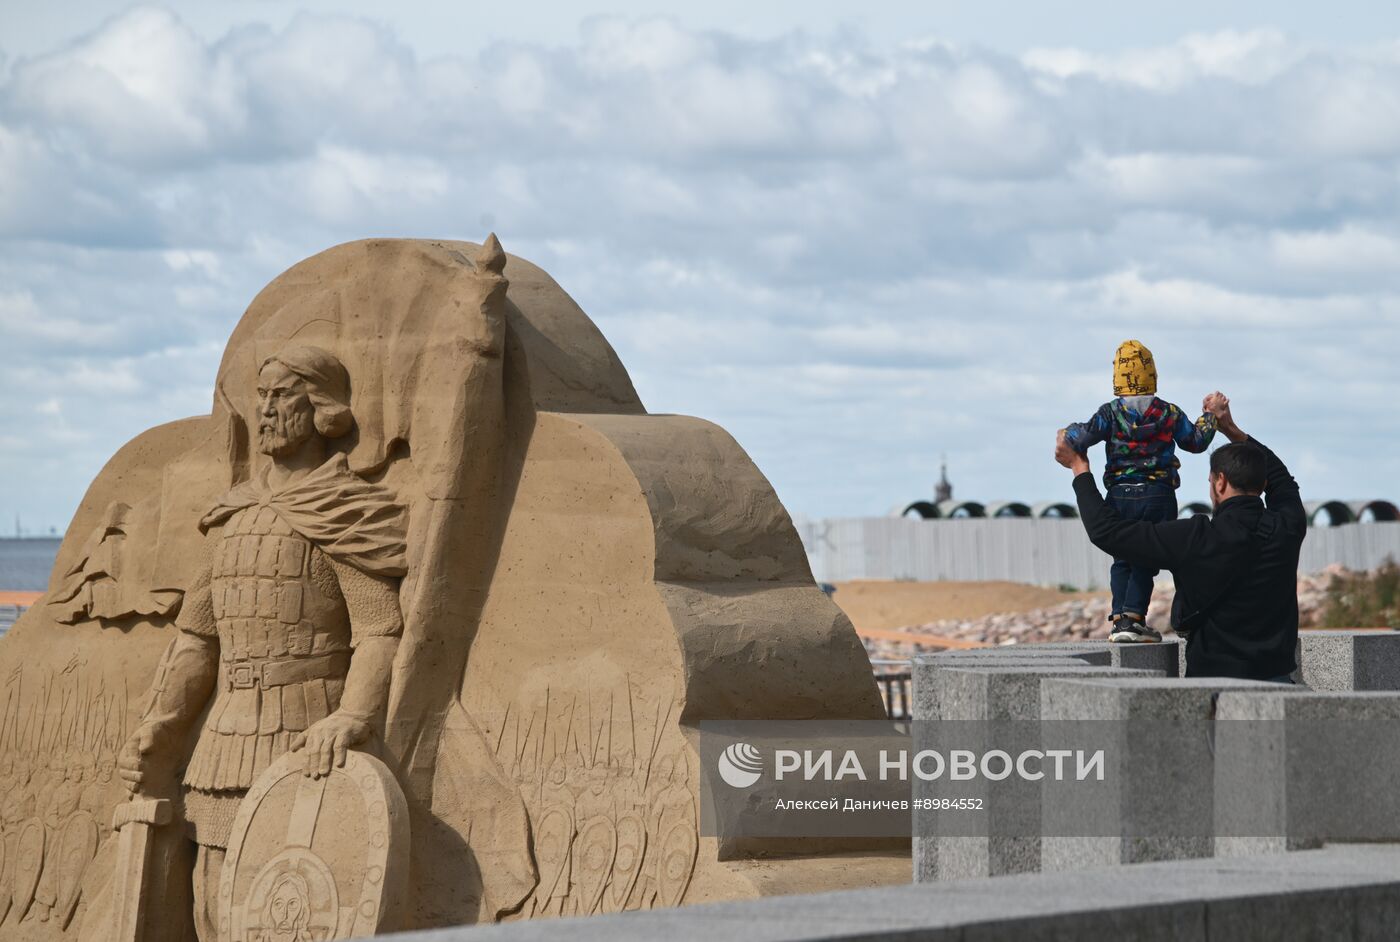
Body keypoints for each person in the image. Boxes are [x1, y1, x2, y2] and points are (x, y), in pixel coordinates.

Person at [117, 345, 408, 942]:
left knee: (293, 909)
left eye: (282, 394)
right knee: (212, 911)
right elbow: (198, 638)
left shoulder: (342, 509)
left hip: (309, 739)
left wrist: (352, 716)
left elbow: (379, 629)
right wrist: (164, 723)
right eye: (262, 396)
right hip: (224, 743)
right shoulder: (234, 515)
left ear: (321, 408)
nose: (267, 409)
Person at [1055, 394, 1305, 681]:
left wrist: (1080, 468)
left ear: (1220, 481)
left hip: (1213, 689)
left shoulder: (1194, 537)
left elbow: (1108, 532)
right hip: (1280, 684)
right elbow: (1282, 478)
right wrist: (1230, 429)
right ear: (1262, 485)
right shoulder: (1287, 525)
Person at [1060, 340, 1219, 642]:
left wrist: (1066, 433)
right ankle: (1134, 618)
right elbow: (1196, 442)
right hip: (1158, 494)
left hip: (1119, 494)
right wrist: (1210, 415)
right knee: (1147, 556)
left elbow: (1080, 437)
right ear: (1153, 376)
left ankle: (1121, 619)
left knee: (1122, 557)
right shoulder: (1169, 413)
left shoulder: (1109, 414)